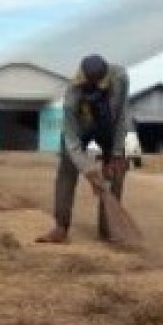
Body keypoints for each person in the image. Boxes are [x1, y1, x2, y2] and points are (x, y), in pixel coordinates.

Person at [36, 54, 130, 243]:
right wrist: (88, 170)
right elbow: (71, 142)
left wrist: (116, 153)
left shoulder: (120, 77)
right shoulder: (72, 94)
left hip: (108, 127)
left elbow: (121, 115)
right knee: (67, 169)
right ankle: (60, 227)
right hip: (81, 129)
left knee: (116, 171)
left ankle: (108, 230)